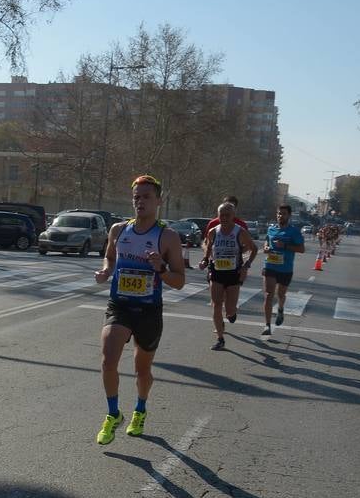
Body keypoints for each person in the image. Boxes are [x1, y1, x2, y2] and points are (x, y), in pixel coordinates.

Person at [92, 174, 187, 443]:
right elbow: (111, 256)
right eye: (136, 197)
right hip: (119, 305)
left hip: (148, 311)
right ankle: (113, 415)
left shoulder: (167, 237)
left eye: (146, 197)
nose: (140, 201)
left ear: (159, 201)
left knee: (141, 370)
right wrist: (106, 271)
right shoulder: (119, 230)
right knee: (108, 360)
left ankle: (140, 409)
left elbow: (179, 281)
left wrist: (162, 268)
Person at [201, 200, 258, 350]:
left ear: (233, 216)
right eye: (221, 215)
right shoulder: (213, 231)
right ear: (218, 215)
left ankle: (231, 314)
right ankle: (220, 338)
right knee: (216, 305)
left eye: (227, 215)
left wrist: (247, 264)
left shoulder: (240, 232)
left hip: (233, 273)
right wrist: (205, 260)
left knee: (230, 309)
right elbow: (208, 249)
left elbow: (254, 249)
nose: (224, 218)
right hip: (217, 272)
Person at [260, 204, 305, 336]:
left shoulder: (294, 232)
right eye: (279, 213)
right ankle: (267, 325)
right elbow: (266, 242)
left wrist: (285, 245)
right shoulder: (271, 229)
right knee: (268, 295)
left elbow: (301, 249)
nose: (280, 216)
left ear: (289, 216)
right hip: (270, 265)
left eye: (284, 214)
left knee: (280, 294)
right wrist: (266, 247)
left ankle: (280, 309)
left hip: (285, 268)